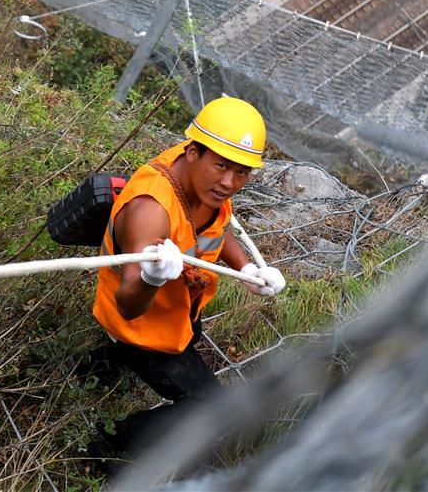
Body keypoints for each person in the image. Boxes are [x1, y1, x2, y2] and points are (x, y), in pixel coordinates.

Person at [86, 96, 285, 465]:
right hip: (142, 330)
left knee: (126, 356)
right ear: (193, 151)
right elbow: (129, 306)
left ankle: (95, 370)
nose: (229, 182)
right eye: (222, 167)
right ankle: (111, 443)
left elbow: (215, 226)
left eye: (242, 172)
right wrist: (152, 276)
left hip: (176, 314)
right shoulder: (151, 210)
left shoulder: (203, 177)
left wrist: (246, 269)